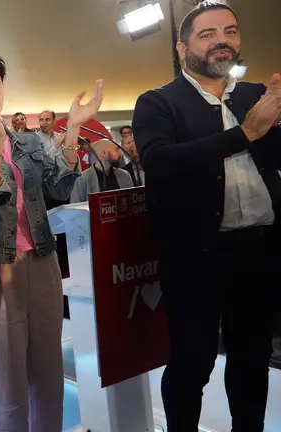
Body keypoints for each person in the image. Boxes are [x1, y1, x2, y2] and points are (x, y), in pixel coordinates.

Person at [133, 2, 281, 431]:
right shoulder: (158, 102)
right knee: (191, 362)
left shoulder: (256, 95)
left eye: (230, 31)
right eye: (208, 34)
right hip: (195, 257)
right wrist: (246, 132)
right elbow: (161, 163)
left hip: (259, 250)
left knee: (252, 359)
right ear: (182, 48)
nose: (222, 41)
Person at [0, 50, 101, 431]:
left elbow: (59, 187)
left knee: (47, 374)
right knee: (3, 381)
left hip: (41, 262)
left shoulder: (28, 142)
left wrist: (73, 128)